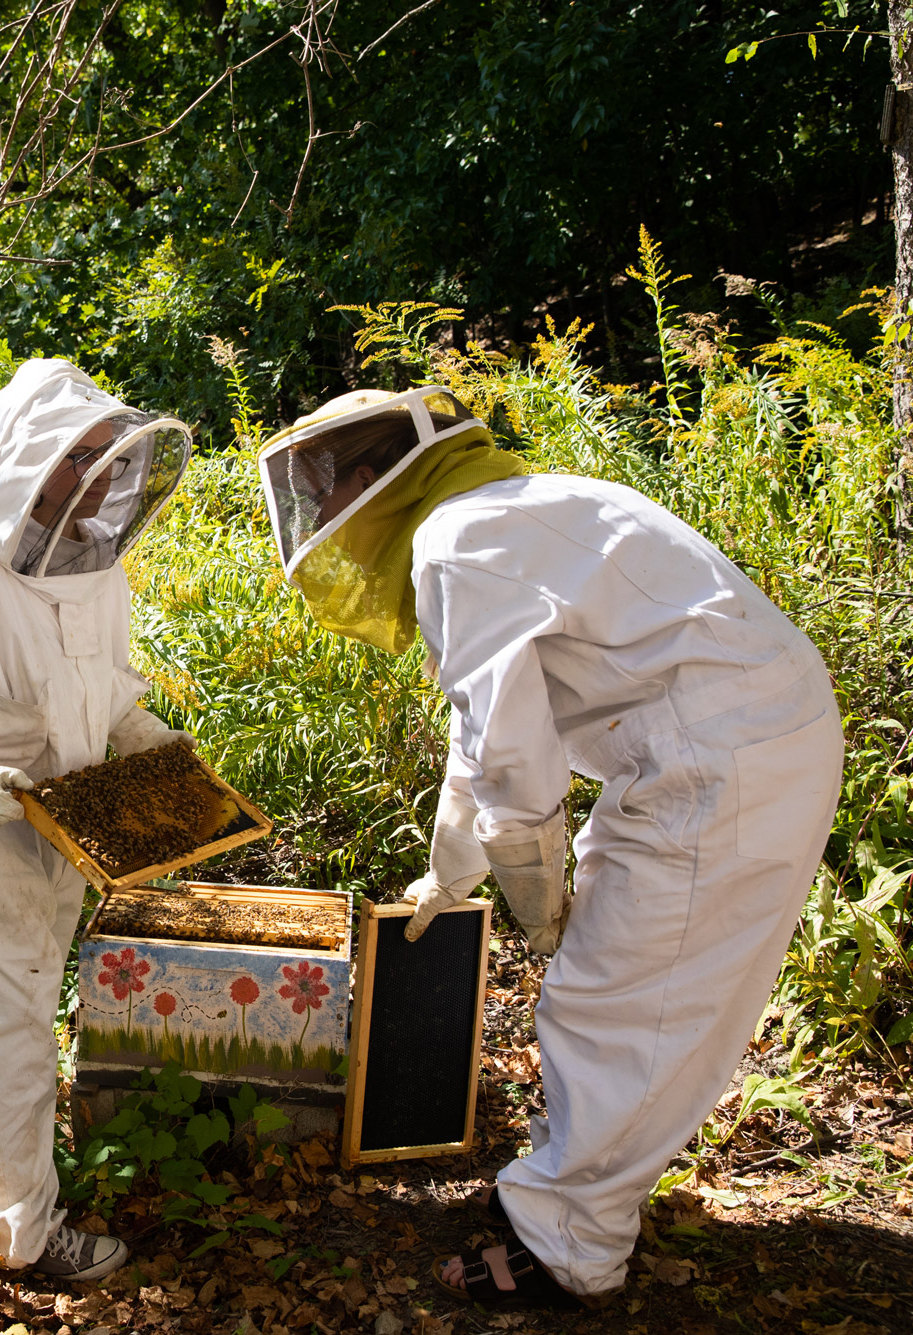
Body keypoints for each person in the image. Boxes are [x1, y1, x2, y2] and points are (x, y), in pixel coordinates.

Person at [255, 387, 844, 1309]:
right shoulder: (522, 504)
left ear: (370, 481)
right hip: (729, 739)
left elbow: (515, 766)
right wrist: (452, 868)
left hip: (719, 760)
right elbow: (488, 728)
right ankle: (584, 1191)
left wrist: (536, 898)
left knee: (611, 1000)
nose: (320, 518)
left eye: (323, 493)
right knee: (632, 988)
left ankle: (568, 1245)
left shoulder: (456, 546)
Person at [0, 358, 193, 1281]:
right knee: (11, 1024)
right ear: (31, 463)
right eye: (78, 454)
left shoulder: (100, 572)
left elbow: (104, 697)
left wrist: (147, 736)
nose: (98, 473)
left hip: (69, 830)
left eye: (107, 452)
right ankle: (21, 1231)